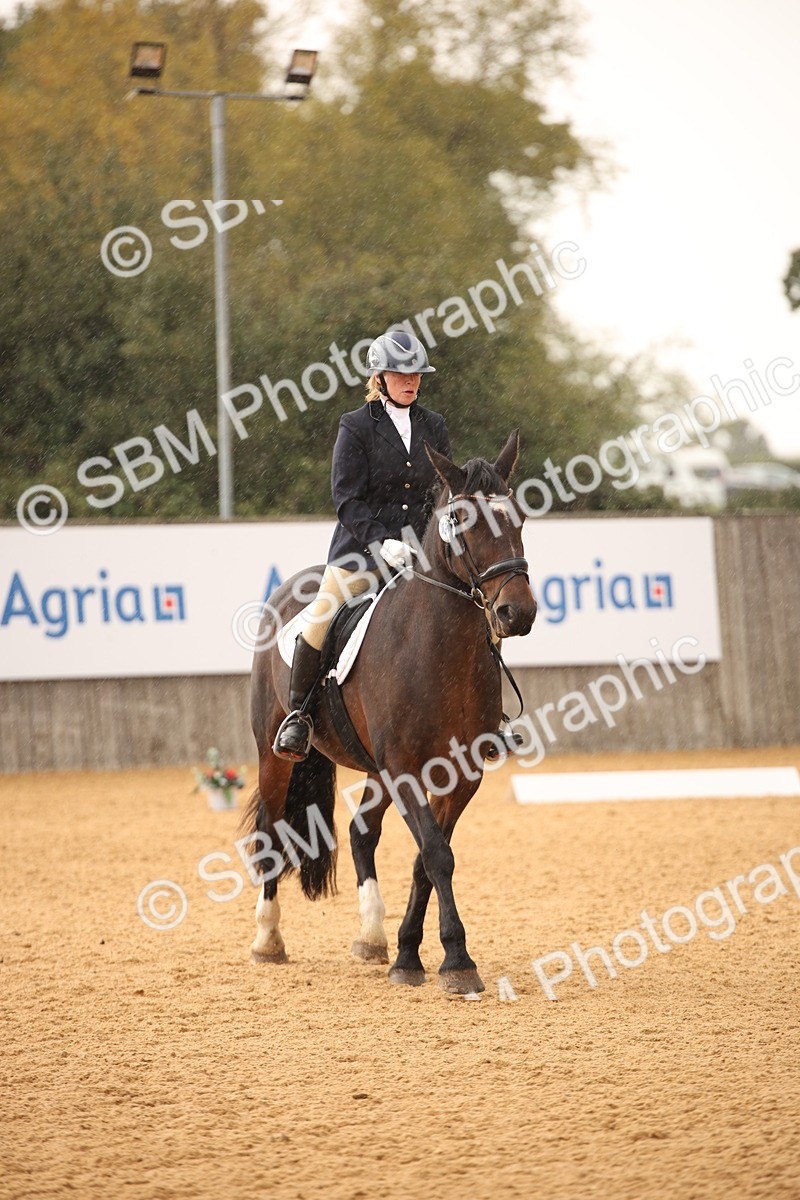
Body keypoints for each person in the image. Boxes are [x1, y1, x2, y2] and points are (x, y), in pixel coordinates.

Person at [273, 328, 451, 761]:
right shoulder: (355, 426)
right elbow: (346, 498)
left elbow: (442, 491)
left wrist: (436, 538)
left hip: (422, 554)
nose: (410, 381)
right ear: (380, 376)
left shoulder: (435, 426)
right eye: (400, 373)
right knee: (321, 615)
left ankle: (488, 716)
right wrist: (382, 541)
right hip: (361, 553)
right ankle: (298, 717)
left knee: (471, 611)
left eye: (416, 375)